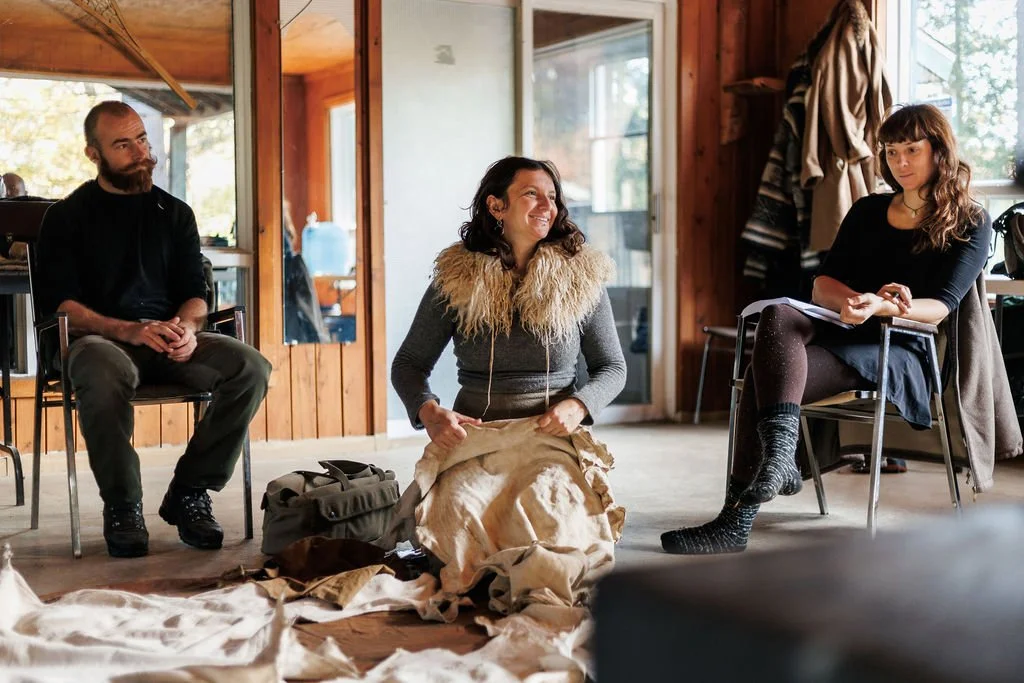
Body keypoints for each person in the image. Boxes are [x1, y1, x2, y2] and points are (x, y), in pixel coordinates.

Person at [662, 103, 993, 555]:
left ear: (939, 151)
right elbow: (823, 284)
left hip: (900, 348)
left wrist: (881, 306)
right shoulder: (867, 211)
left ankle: (734, 520)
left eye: (911, 150)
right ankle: (778, 458)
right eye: (892, 152)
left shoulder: (971, 220)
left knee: (764, 372)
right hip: (846, 327)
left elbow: (941, 307)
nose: (900, 163)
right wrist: (852, 302)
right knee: (777, 316)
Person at [36, 101, 272, 558]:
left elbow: (195, 292)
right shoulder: (66, 217)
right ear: (94, 154)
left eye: (142, 139)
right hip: (99, 341)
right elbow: (60, 303)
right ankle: (123, 505)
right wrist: (126, 330)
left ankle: (189, 492)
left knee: (250, 366)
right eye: (123, 145)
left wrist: (185, 327)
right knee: (101, 368)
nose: (141, 153)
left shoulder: (174, 213)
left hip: (167, 339)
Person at [391, 156, 626, 446]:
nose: (547, 207)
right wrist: (428, 411)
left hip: (554, 440)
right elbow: (409, 363)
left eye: (552, 197)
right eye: (531, 194)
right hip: (475, 436)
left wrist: (579, 405)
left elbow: (612, 367)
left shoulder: (583, 276)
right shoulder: (457, 276)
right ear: (496, 206)